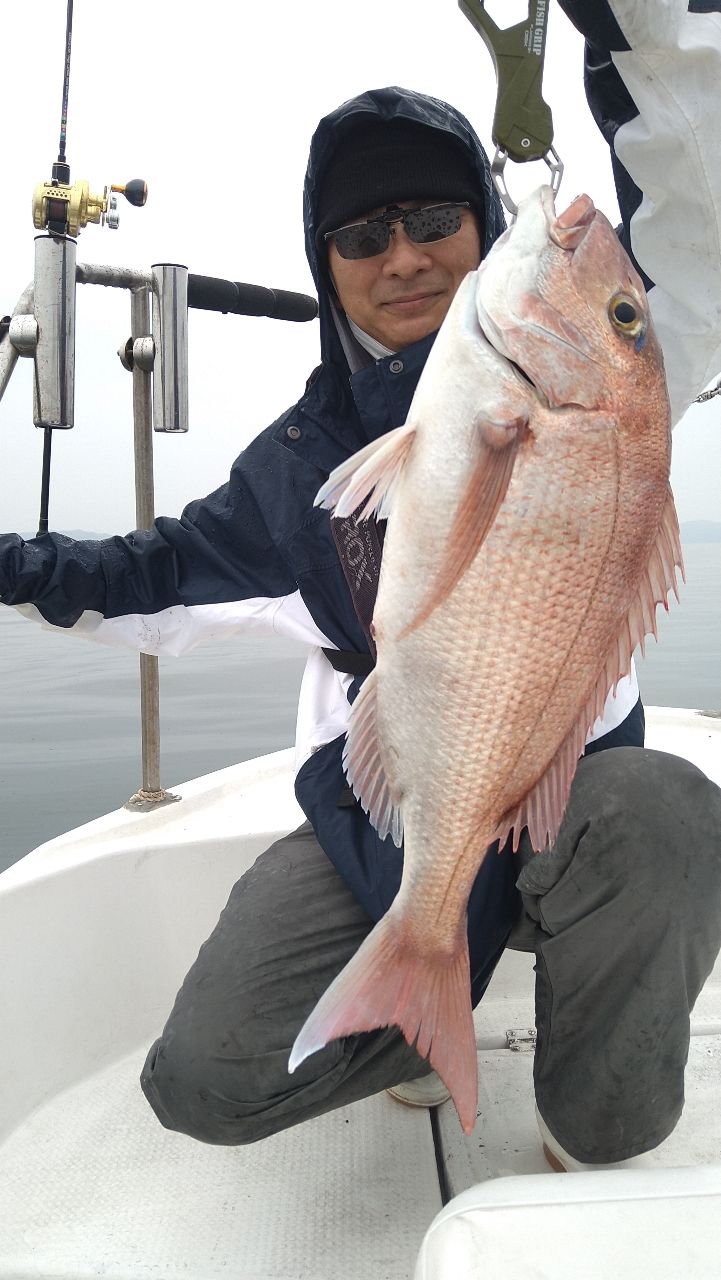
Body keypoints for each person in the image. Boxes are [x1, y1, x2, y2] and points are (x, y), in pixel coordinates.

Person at [2, 1, 721, 1171]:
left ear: (485, 227)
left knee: (668, 815)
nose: (403, 254)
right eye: (361, 235)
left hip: (572, 789)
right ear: (324, 266)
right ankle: (419, 1005)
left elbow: (700, 197)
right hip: (400, 812)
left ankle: (591, 1117)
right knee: (202, 1079)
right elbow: (148, 573)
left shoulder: (618, 371)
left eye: (436, 218)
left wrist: (640, 19)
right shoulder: (298, 465)